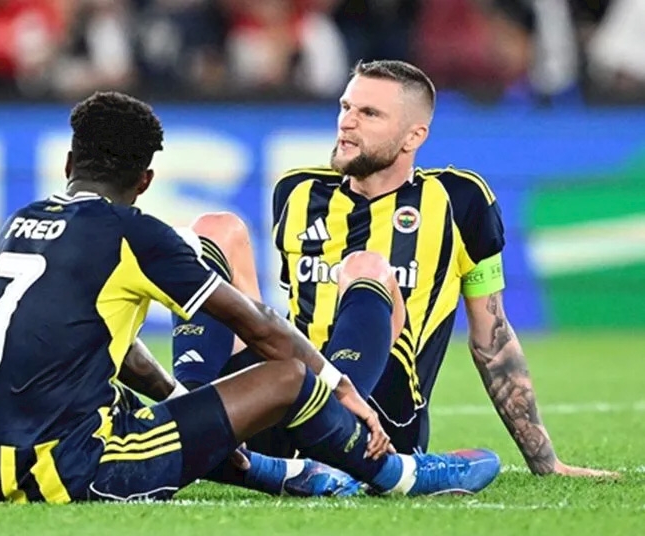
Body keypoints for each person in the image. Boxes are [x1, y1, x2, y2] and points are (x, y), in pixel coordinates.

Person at [0, 90, 501, 503]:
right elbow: (257, 324)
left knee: (120, 398)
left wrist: (182, 401)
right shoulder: (132, 232)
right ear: (145, 180)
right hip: (71, 468)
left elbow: (116, 350)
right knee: (289, 376)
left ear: (68, 164)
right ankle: (398, 473)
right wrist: (339, 387)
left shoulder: (22, 222)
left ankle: (287, 473)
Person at [170, 60, 617, 477]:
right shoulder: (296, 191)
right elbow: (264, 319)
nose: (347, 122)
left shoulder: (462, 200)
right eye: (346, 107)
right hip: (290, 397)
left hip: (382, 422)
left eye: (369, 113)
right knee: (215, 229)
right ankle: (189, 417)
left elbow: (492, 339)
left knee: (366, 268)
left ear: (412, 137)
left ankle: (336, 418)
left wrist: (544, 460)